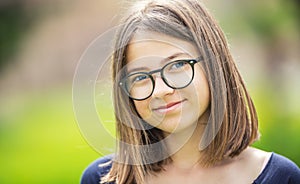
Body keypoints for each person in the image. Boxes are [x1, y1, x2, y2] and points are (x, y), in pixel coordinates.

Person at [80, 0, 300, 183]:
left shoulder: (280, 177)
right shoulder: (101, 178)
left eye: (177, 65)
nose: (161, 90)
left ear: (214, 65)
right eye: (140, 77)